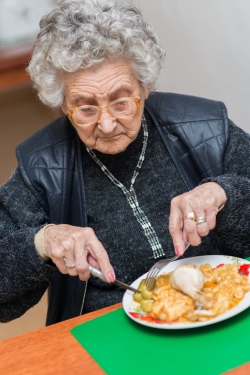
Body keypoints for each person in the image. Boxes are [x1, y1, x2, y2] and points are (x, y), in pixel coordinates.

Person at [0, 0, 250, 325]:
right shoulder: (41, 168)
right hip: (107, 332)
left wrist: (224, 192)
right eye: (85, 108)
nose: (106, 125)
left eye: (121, 102)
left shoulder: (207, 127)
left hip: (225, 307)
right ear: (61, 103)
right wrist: (42, 242)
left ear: (144, 87)